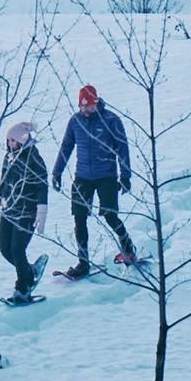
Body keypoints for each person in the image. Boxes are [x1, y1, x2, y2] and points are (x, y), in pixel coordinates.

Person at [51, 85, 136, 278]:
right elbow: (66, 147)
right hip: (83, 177)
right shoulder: (75, 122)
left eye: (89, 106)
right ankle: (83, 262)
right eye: (83, 107)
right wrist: (57, 172)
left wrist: (125, 176)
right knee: (79, 219)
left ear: (96, 102)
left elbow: (122, 148)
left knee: (110, 216)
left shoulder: (111, 120)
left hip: (106, 176)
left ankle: (128, 248)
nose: (86, 110)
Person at [0, 121, 49, 300]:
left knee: (17, 249)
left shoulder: (33, 158)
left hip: (26, 211)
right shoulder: (8, 158)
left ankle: (23, 287)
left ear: (23, 140)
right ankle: (29, 272)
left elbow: (42, 186)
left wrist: (41, 211)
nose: (10, 145)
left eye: (14, 141)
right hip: (8, 209)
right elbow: (4, 182)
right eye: (8, 141)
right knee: (5, 249)